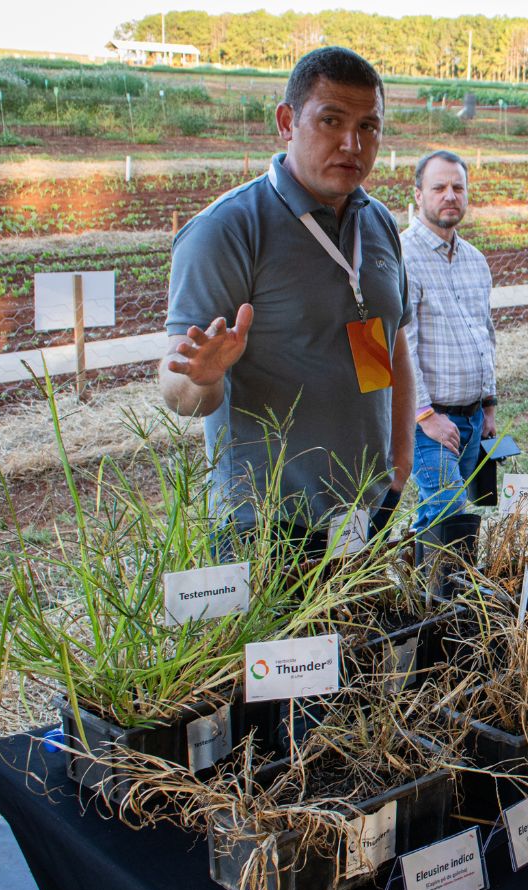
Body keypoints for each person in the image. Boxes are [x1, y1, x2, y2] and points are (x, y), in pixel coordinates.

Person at [160, 47, 416, 552]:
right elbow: (178, 385)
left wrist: (398, 466)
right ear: (286, 122)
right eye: (331, 120)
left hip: (362, 516)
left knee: (365, 634)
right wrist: (203, 381)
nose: (352, 143)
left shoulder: (378, 223)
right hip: (264, 525)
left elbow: (391, 348)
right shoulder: (227, 230)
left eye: (369, 126)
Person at [399, 150, 497, 531]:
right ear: (419, 195)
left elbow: (485, 334)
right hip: (430, 420)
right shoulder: (404, 256)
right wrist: (425, 416)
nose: (450, 195)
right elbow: (402, 346)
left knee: (436, 518)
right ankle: (448, 590)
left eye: (458, 187)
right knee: (451, 514)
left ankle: (418, 582)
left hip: (471, 418)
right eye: (438, 187)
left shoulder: (475, 259)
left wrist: (488, 406)